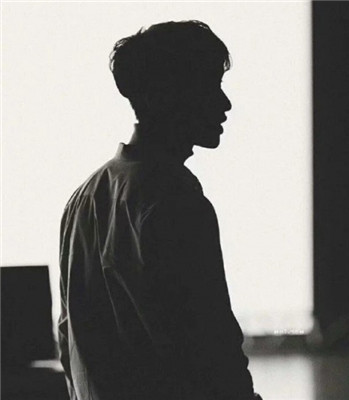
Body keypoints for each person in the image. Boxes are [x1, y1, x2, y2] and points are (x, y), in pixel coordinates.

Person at [58, 20, 262, 400]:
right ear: (168, 95)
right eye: (209, 86)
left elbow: (68, 339)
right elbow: (209, 347)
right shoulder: (173, 199)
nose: (225, 103)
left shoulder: (82, 200)